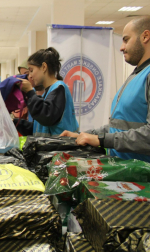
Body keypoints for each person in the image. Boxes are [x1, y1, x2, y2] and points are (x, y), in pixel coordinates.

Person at [61, 16, 150, 162]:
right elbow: (118, 127)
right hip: (125, 171)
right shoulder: (137, 75)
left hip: (143, 174)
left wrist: (102, 139)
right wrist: (83, 134)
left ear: (145, 36)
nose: (121, 47)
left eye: (126, 40)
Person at [15, 47, 79, 137]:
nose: (30, 76)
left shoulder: (59, 88)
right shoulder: (48, 92)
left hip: (60, 149)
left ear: (44, 67)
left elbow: (46, 116)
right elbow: (40, 127)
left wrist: (30, 92)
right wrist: (15, 123)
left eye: (31, 70)